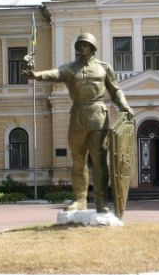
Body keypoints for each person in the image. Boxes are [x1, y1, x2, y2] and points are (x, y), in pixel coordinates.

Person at [23, 33, 133, 213]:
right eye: (79, 45)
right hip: (77, 116)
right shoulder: (69, 68)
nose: (81, 48)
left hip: (98, 116)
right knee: (78, 160)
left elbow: (116, 91)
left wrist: (125, 106)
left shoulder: (104, 68)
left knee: (99, 161)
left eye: (85, 45)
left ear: (92, 48)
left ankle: (100, 201)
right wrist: (36, 75)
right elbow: (54, 74)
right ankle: (80, 199)